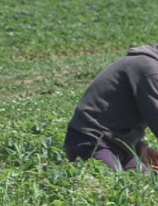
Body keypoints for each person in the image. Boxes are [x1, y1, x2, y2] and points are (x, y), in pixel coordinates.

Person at [64, 44, 158, 172]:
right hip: (93, 142)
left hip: (123, 148)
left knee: (146, 184)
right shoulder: (149, 70)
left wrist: (141, 148)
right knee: (108, 185)